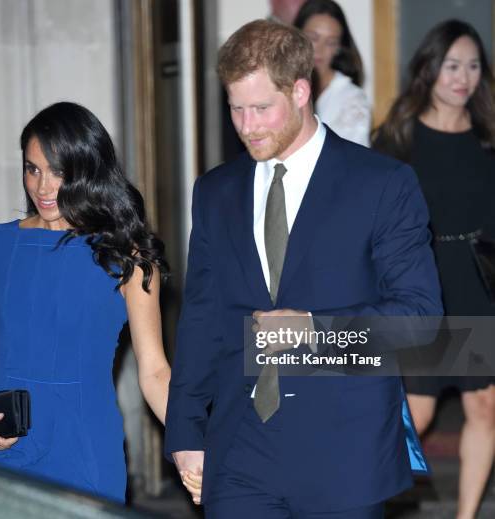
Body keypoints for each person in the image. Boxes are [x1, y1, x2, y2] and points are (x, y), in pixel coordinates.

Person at [165, 19, 442, 518]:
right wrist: (185, 432)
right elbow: (201, 319)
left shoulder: (382, 184)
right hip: (239, 446)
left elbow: (420, 319)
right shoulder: (215, 192)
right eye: (236, 109)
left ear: (299, 91)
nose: (247, 126)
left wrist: (315, 331)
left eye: (260, 109)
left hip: (344, 448)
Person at [0, 102, 200, 503]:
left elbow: (154, 373)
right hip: (0, 442)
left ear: (87, 171)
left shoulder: (128, 259)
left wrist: (194, 444)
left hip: (83, 447)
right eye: (33, 169)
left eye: (59, 172)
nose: (43, 188)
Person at [373, 20, 495, 519]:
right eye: (452, 66)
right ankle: (354, 500)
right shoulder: (399, 137)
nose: (463, 78)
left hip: (476, 283)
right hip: (422, 281)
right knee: (416, 415)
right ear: (429, 69)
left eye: (472, 66)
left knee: (485, 408)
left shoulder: (489, 137)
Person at [295, 0, 371, 146]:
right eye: (313, 38)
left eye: (331, 42)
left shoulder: (352, 100)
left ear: (339, 48)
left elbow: (353, 158)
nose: (320, 49)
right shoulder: (280, 85)